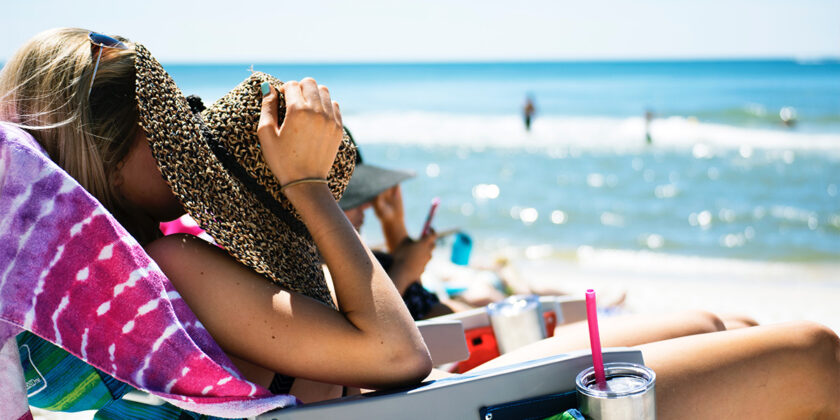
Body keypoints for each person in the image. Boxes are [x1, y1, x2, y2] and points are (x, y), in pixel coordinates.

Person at [1, 28, 838, 418]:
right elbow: (394, 357)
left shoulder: (102, 301)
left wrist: (391, 256)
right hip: (406, 406)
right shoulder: (165, 264)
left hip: (374, 400)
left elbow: (323, 349)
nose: (179, 127)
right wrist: (303, 185)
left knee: (710, 321)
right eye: (162, 123)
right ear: (104, 150)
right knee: (810, 355)